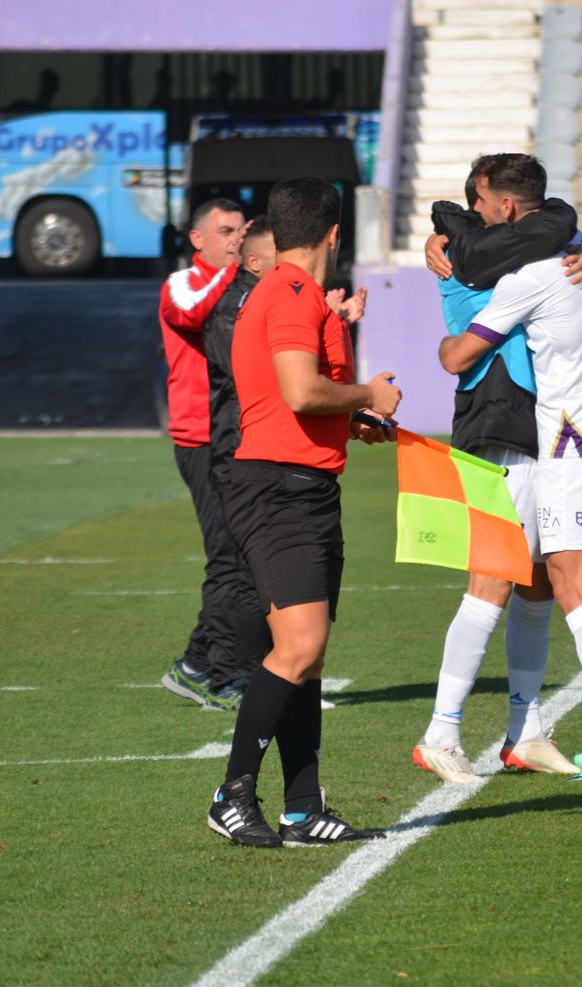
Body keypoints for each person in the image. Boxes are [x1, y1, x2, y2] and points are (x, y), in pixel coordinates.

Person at [435, 153, 582, 784]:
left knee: (566, 585)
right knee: (541, 582)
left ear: (506, 208)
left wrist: (443, 343)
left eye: (481, 205)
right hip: (581, 434)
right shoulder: (574, 248)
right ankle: (525, 732)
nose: (475, 217)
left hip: (568, 442)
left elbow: (457, 357)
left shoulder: (528, 276)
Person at [207, 176, 401, 847]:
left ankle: (302, 808)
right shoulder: (291, 291)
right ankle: (233, 795)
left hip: (303, 484)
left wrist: (353, 421)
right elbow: (298, 390)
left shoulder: (291, 293)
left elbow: (286, 398)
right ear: (334, 234)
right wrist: (367, 394)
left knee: (308, 657)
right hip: (278, 489)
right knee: (299, 647)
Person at [157, 198, 250, 712]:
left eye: (240, 230)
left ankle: (198, 665)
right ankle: (218, 674)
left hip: (236, 436)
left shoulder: (240, 285)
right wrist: (235, 272)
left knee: (240, 555)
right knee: (227, 556)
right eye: (225, 231)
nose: (236, 239)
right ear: (197, 239)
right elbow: (192, 313)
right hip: (199, 438)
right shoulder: (182, 283)